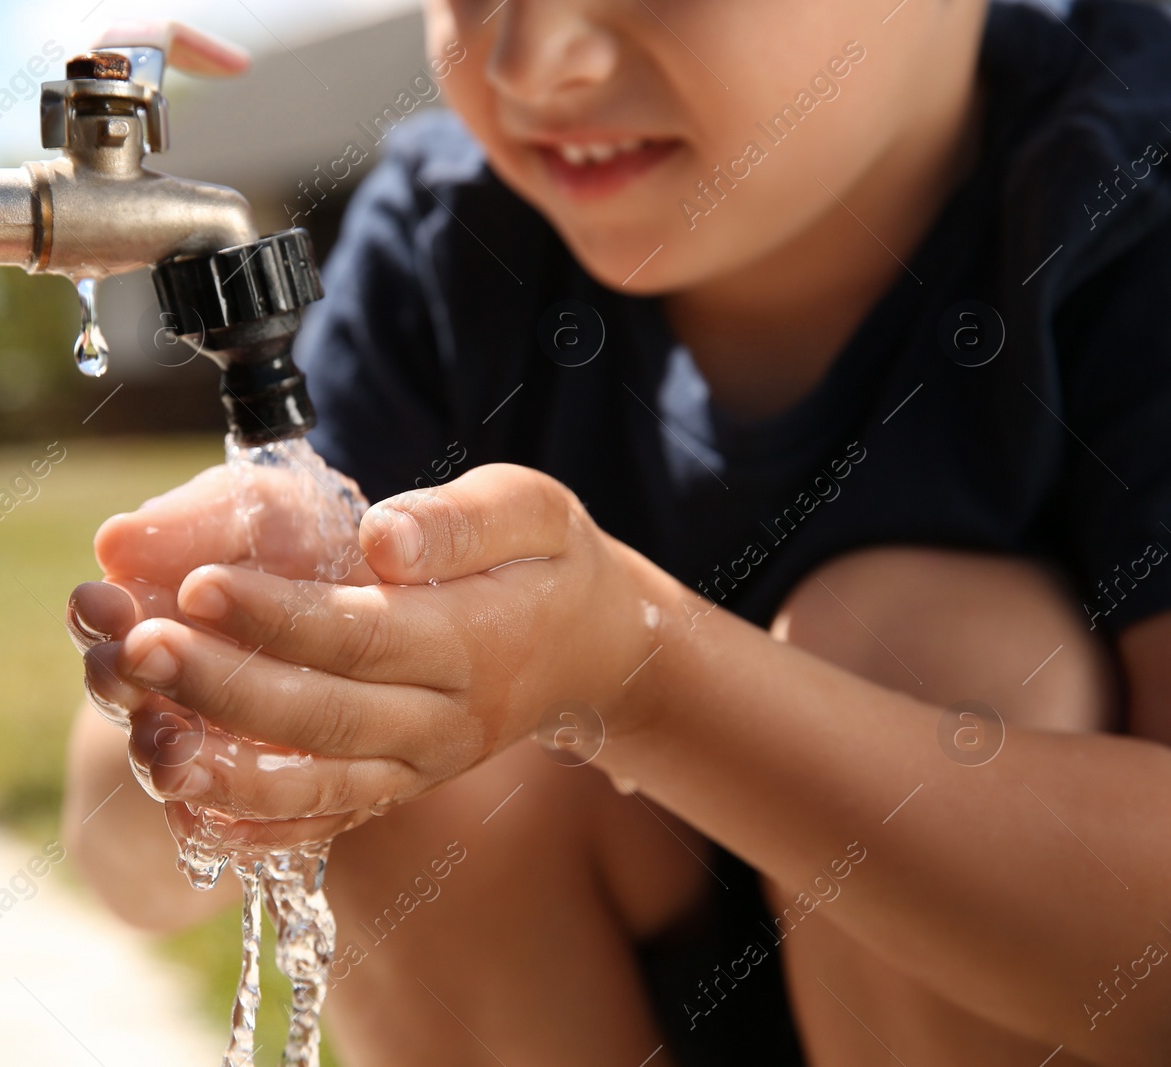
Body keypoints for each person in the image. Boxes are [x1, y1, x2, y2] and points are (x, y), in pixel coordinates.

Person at [63, 2, 1171, 1063]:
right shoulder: (454, 249)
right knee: (389, 708)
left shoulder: (1128, 188)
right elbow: (117, 859)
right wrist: (221, 683)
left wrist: (639, 671)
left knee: (931, 650)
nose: (535, 63)